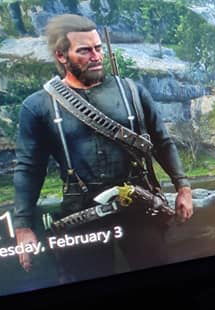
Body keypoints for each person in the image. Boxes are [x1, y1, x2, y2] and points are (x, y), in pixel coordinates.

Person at [13, 14, 193, 281]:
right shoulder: (38, 106)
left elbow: (161, 142)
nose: (96, 56)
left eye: (98, 48)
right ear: (61, 56)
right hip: (81, 215)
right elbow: (29, 168)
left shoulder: (132, 91)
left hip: (138, 206)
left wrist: (183, 187)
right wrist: (23, 226)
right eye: (84, 50)